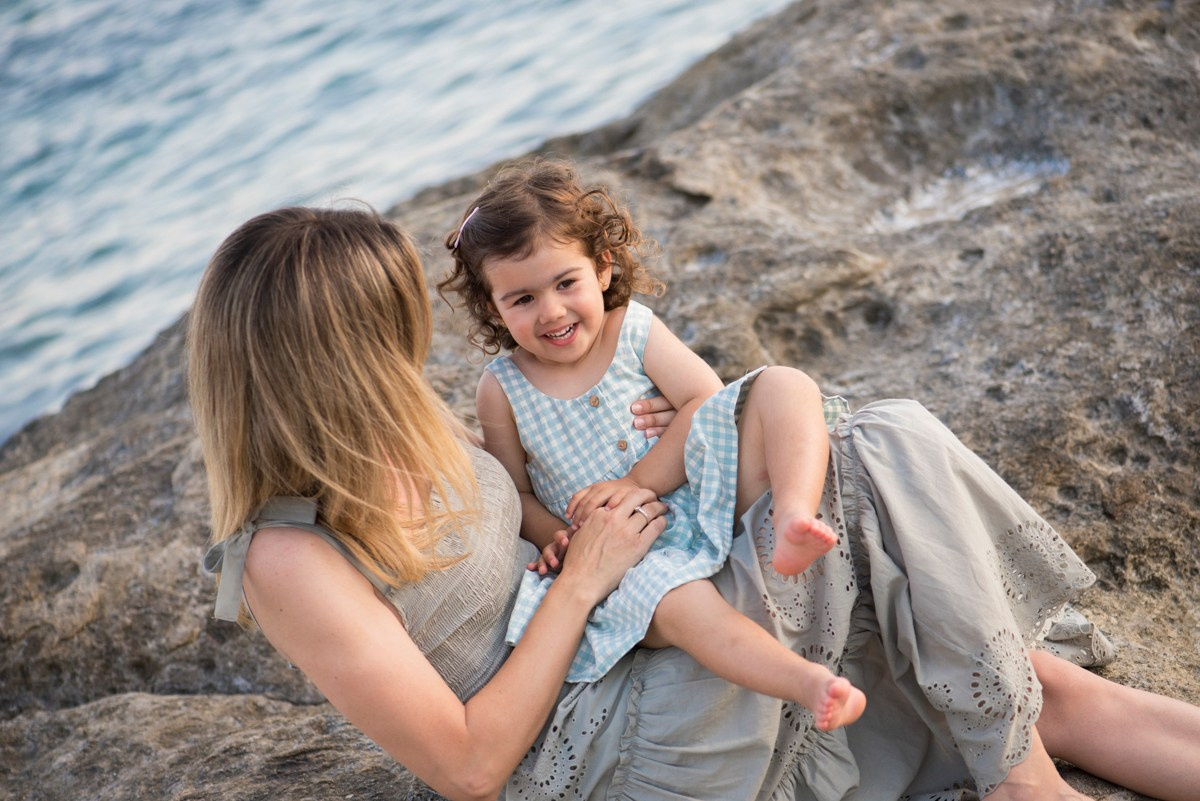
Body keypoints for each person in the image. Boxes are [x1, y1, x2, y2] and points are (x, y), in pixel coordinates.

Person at [193, 204, 1200, 801]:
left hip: (644, 638)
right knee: (877, 441)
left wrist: (658, 439)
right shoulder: (287, 557)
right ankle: (1022, 784)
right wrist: (583, 582)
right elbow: (468, 767)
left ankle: (1022, 777)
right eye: (391, 325)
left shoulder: (410, 424)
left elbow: (550, 500)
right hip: (603, 743)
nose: (411, 342)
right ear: (340, 352)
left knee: (1026, 687)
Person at [437, 159, 863, 731]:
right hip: (628, 556)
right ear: (494, 308)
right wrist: (560, 538)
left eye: (565, 283)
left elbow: (707, 401)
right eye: (522, 299)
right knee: (679, 605)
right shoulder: (502, 388)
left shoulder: (630, 330)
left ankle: (792, 517)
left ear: (602, 268)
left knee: (784, 383)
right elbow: (515, 490)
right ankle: (808, 683)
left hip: (703, 491)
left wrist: (637, 482)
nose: (552, 311)